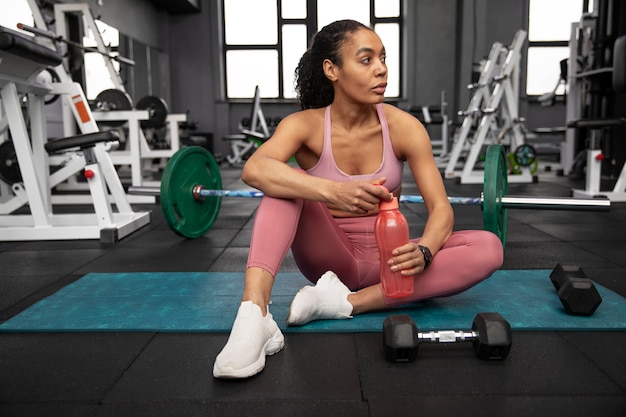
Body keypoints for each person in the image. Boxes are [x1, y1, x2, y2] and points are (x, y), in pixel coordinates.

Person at [213, 19, 503, 379]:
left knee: (490, 247)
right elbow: (254, 169)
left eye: (383, 58)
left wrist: (425, 249)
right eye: (366, 60)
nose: (381, 68)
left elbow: (441, 209)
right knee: (285, 183)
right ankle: (254, 316)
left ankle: (343, 303)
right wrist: (332, 190)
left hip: (392, 263)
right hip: (329, 258)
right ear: (332, 70)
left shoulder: (403, 126)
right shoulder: (305, 125)